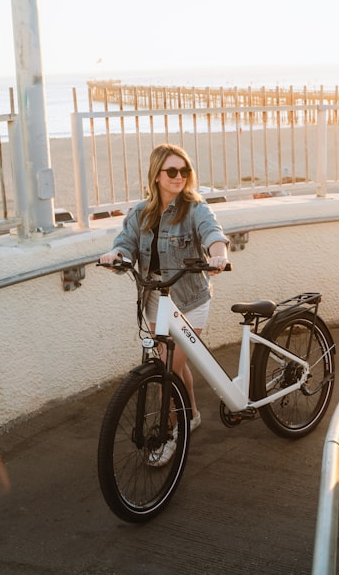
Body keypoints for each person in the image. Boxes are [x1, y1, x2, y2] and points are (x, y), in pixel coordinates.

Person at [100, 143, 229, 453]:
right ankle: (192, 415)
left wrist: (218, 253)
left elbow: (211, 231)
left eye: (184, 171)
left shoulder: (195, 208)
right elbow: (126, 243)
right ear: (156, 176)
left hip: (189, 299)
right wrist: (116, 254)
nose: (179, 177)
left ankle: (170, 433)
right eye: (172, 171)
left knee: (166, 370)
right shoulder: (141, 213)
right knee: (174, 363)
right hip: (156, 299)